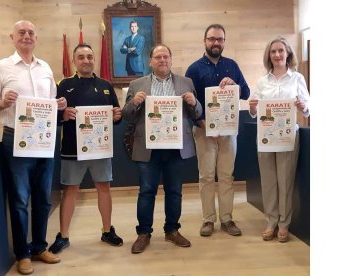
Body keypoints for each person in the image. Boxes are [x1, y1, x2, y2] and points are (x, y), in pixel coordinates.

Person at [0, 20, 67, 275]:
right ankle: (22, 254)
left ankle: (40, 247)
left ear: (36, 38)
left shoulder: (45, 68)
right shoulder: (1, 67)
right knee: (20, 199)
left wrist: (59, 104)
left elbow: (50, 102)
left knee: (43, 198)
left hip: (44, 138)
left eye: (31, 32)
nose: (27, 36)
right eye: (21, 32)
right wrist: (0, 102)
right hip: (16, 138)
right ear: (13, 37)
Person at [122, 44, 203, 254]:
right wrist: (135, 103)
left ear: (171, 59)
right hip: (148, 147)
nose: (162, 60)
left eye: (165, 56)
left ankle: (172, 230)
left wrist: (194, 102)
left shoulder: (187, 83)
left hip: (176, 147)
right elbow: (127, 115)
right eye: (157, 57)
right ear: (150, 61)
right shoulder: (137, 84)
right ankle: (144, 233)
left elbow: (197, 113)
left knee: (174, 191)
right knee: (146, 191)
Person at [48, 44, 123, 254]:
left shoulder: (106, 85)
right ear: (74, 61)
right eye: (81, 57)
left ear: (94, 59)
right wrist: (62, 116)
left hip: (100, 149)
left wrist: (117, 117)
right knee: (70, 191)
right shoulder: (63, 85)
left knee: (104, 188)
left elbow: (114, 115)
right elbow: (53, 116)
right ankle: (63, 235)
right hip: (72, 149)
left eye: (89, 56)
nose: (86, 60)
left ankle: (107, 230)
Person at [185, 23, 250, 237]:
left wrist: (235, 86)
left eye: (220, 39)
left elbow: (246, 93)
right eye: (212, 39)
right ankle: (208, 220)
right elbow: (188, 103)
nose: (216, 43)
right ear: (204, 41)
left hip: (229, 131)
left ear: (224, 42)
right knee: (206, 177)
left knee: (226, 176)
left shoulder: (232, 66)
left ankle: (227, 219)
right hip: (204, 130)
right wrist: (202, 122)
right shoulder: (194, 69)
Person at [248, 36, 309, 243]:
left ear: (288, 53)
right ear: (269, 56)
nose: (277, 55)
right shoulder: (262, 81)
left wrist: (303, 107)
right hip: (265, 138)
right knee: (268, 181)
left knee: (285, 181)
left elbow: (308, 109)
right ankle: (271, 221)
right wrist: (253, 107)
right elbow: (254, 112)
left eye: (281, 51)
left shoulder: (297, 78)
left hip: (288, 137)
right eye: (273, 52)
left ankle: (284, 224)